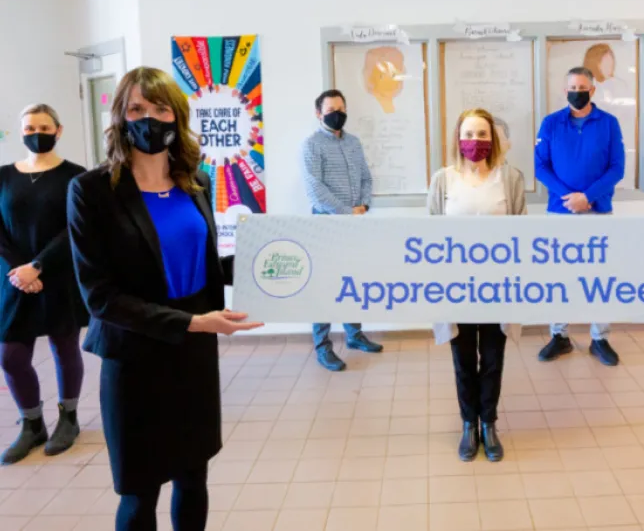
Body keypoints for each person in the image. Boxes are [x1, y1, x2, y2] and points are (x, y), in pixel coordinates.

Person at [67, 67, 263, 531]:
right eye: (136, 109)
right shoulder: (92, 192)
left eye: (160, 108)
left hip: (193, 357)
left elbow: (204, 264)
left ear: (177, 116)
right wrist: (193, 323)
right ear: (120, 117)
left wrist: (274, 266)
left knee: (193, 478)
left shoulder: (194, 182)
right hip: (134, 358)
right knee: (139, 493)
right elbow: (100, 297)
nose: (149, 119)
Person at [428, 108, 526, 462]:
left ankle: (489, 423)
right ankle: (469, 423)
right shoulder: (443, 180)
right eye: (468, 134)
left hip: (498, 286)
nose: (475, 141)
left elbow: (522, 231)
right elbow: (430, 234)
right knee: (463, 358)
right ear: (458, 139)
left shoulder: (509, 178)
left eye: (482, 134)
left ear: (493, 138)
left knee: (494, 358)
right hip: (458, 288)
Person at [0, 104, 89, 464]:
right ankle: (32, 424)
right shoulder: (4, 176)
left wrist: (38, 266)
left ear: (58, 130)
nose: (36, 133)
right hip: (14, 279)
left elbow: (74, 229)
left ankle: (68, 418)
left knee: (64, 347)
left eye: (43, 127)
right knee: (10, 355)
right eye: (29, 128)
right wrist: (19, 270)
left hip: (59, 274)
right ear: (20, 131)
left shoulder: (76, 177)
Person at [534, 66, 625, 366]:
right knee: (558, 277)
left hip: (598, 211)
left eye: (582, 88)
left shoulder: (609, 123)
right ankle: (559, 336)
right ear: (565, 91)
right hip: (560, 213)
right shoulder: (550, 123)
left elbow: (617, 168)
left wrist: (588, 197)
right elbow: (541, 167)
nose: (577, 93)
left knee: (600, 278)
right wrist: (569, 198)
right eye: (572, 88)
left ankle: (600, 338)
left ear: (592, 90)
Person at [301, 89, 383, 371]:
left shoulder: (354, 143)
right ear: (318, 113)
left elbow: (366, 178)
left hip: (354, 225)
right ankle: (323, 347)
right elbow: (315, 191)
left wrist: (364, 204)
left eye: (341, 109)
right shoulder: (312, 145)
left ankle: (354, 335)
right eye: (330, 110)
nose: (337, 114)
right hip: (326, 225)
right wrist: (348, 210)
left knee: (352, 280)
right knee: (324, 285)